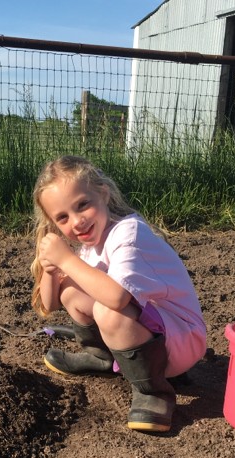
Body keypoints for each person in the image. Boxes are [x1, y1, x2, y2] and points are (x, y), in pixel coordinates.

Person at [30, 155, 207, 432]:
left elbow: (117, 298)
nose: (76, 222)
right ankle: (102, 357)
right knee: (73, 290)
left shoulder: (128, 233)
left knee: (107, 308)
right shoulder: (89, 247)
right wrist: (51, 269)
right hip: (156, 336)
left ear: (103, 194)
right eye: (62, 217)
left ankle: (154, 391)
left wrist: (65, 259)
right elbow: (51, 303)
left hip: (183, 341)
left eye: (82, 205)